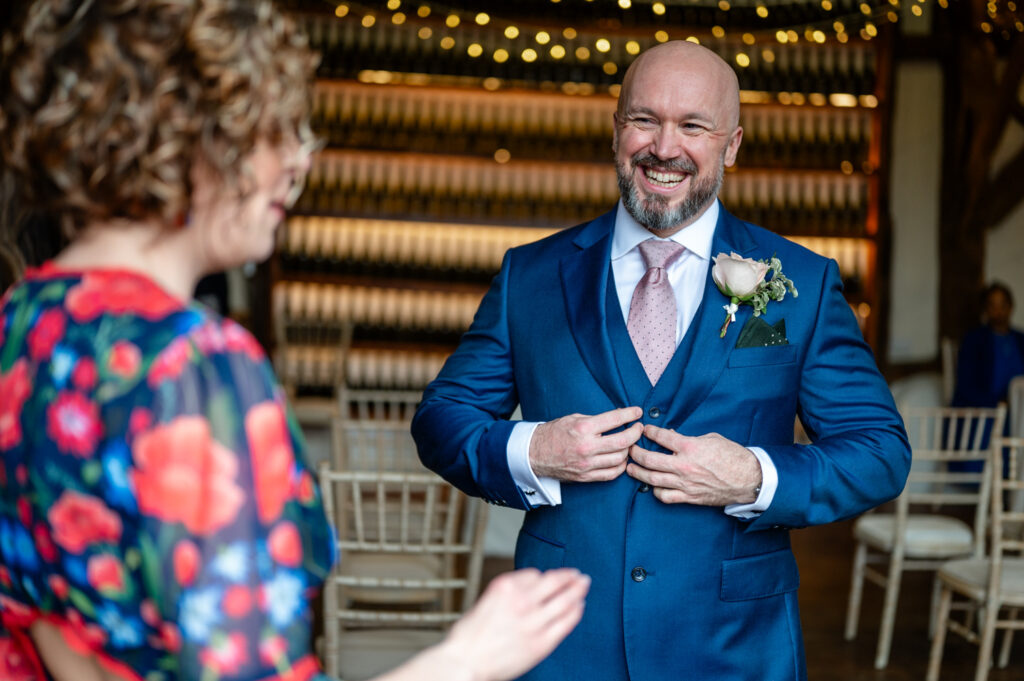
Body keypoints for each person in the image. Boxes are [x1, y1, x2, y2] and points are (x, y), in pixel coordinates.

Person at [0, 2, 589, 681]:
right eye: (276, 130)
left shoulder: (23, 319)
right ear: (191, 140)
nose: (300, 160)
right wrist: (470, 657)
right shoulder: (195, 363)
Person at [411, 40, 910, 681]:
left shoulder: (800, 285)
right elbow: (441, 419)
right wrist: (532, 450)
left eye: (693, 126)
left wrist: (755, 477)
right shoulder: (529, 276)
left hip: (735, 649)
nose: (664, 147)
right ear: (616, 130)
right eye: (644, 119)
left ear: (732, 145)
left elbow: (879, 451)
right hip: (563, 646)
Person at [952, 282, 1024, 411]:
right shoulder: (974, 340)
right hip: (986, 409)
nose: (998, 311)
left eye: (1003, 305)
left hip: (1020, 407)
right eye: (992, 306)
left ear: (1011, 306)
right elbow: (966, 386)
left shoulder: (1020, 339)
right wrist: (998, 403)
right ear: (985, 309)